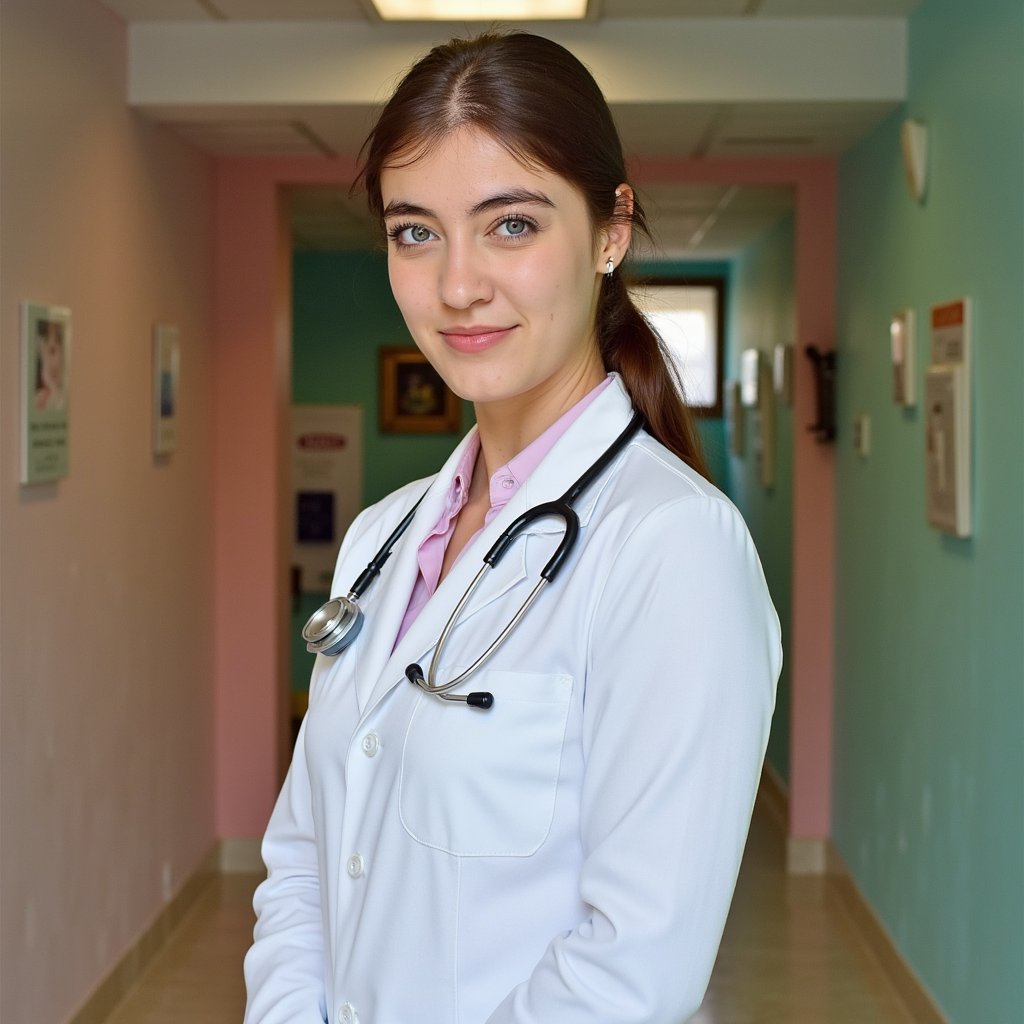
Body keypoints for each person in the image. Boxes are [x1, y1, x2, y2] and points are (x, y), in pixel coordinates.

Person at [244, 32, 780, 1024]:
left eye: (511, 225)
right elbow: (305, 863)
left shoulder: (672, 551)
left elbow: (630, 974)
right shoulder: (380, 538)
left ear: (610, 229)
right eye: (415, 232)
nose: (456, 286)